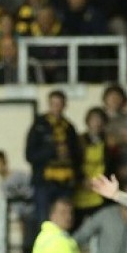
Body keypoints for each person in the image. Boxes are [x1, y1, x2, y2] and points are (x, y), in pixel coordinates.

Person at [25, 89, 83, 225]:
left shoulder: (69, 127)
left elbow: (77, 156)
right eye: (53, 104)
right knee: (43, 220)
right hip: (45, 182)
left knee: (64, 219)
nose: (57, 107)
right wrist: (52, 151)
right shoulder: (39, 126)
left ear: (65, 105)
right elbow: (30, 155)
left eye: (59, 104)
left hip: (65, 182)